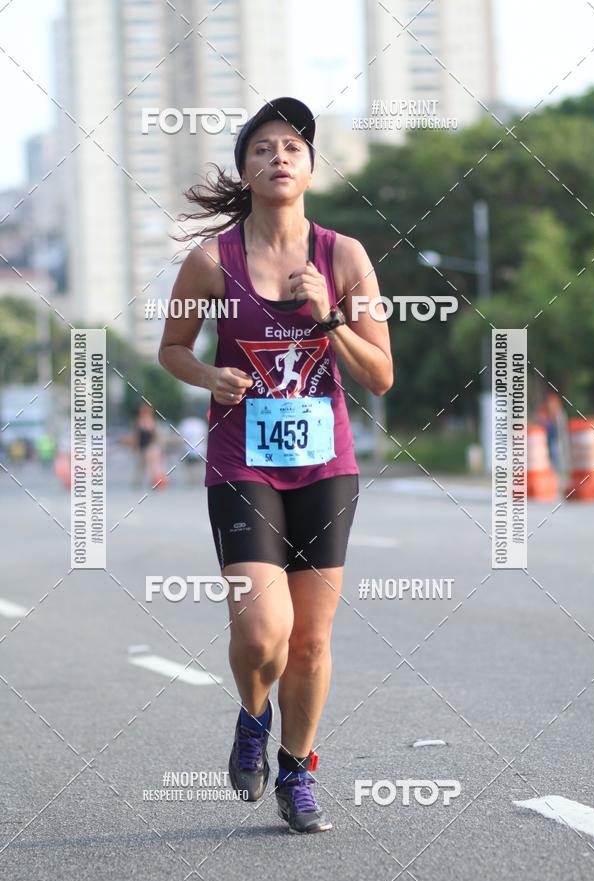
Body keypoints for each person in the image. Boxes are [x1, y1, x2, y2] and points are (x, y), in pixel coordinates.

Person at [159, 97, 393, 833]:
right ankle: (252, 716)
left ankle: (297, 771)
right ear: (246, 172)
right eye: (262, 148)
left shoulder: (344, 257)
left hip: (326, 466)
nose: (279, 157)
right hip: (243, 464)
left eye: (293, 146)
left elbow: (381, 375)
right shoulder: (212, 262)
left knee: (312, 642)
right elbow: (173, 350)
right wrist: (209, 377)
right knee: (263, 634)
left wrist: (330, 318)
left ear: (311, 168)